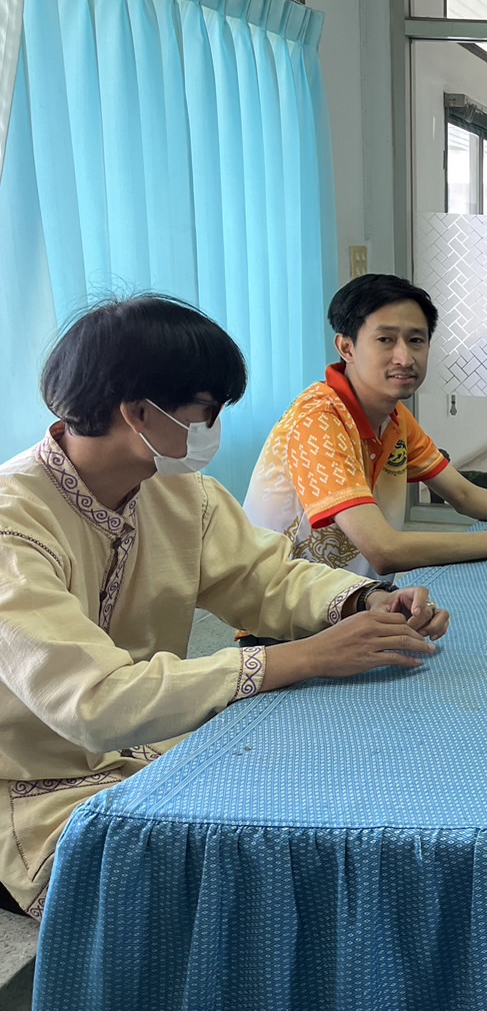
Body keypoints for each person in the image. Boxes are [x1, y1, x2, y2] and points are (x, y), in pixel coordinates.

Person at [0, 296, 451, 918]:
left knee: (319, 806)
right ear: (136, 414)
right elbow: (96, 701)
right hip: (30, 790)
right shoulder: (12, 527)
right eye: (207, 412)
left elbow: (265, 579)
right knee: (202, 894)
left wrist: (365, 599)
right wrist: (299, 659)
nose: (213, 430)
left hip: (148, 748)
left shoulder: (180, 493)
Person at [246, 275, 487, 581]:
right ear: (346, 348)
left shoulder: (394, 417)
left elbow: (462, 494)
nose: (404, 358)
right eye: (385, 340)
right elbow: (384, 550)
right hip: (288, 625)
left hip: (357, 604)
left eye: (416, 340)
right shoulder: (317, 421)